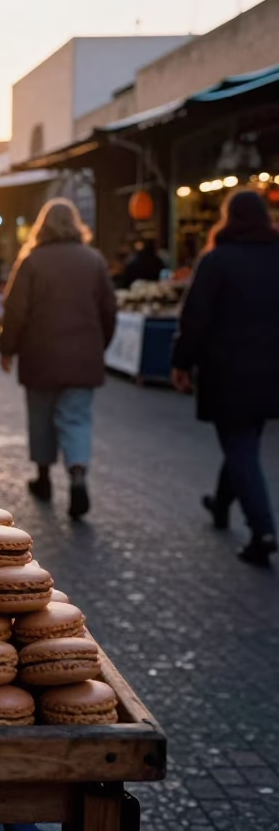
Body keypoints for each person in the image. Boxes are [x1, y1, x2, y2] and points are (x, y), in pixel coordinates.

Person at [171, 190, 279, 567]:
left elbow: (195, 319)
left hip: (229, 370)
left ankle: (262, 529)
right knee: (244, 439)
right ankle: (220, 504)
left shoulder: (217, 260)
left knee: (239, 444)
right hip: (272, 372)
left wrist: (181, 363)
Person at [0, 198, 116, 519]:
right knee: (76, 418)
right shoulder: (93, 260)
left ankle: (44, 477)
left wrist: (7, 348)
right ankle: (77, 475)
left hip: (40, 357)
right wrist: (97, 345)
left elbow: (15, 311)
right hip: (82, 358)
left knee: (41, 417)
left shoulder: (32, 261)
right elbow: (109, 310)